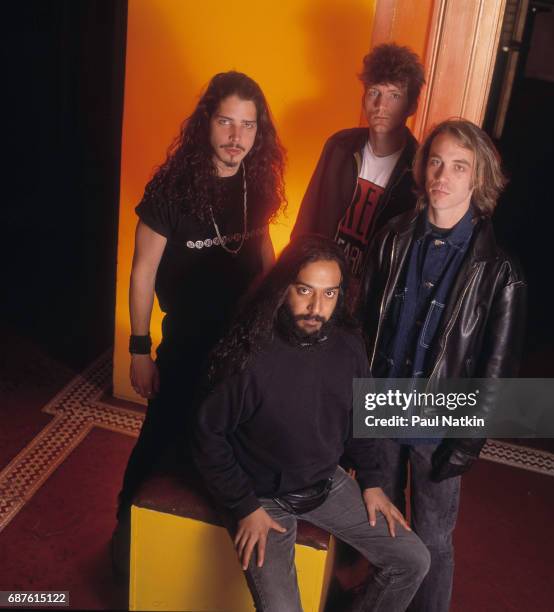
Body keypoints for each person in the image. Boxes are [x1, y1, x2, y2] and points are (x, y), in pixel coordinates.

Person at [192, 235, 430, 612]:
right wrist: (244, 505)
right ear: (284, 287)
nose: (317, 307)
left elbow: (362, 418)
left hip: (325, 483)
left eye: (330, 294)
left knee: (414, 559)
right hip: (262, 498)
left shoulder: (348, 345)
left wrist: (373, 482)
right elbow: (208, 437)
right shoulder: (249, 356)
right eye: (305, 290)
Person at [113, 71, 286, 572]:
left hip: (243, 343)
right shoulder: (170, 189)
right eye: (227, 122)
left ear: (259, 132)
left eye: (248, 126)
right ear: (206, 123)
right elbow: (142, 271)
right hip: (186, 341)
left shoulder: (259, 183)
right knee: (162, 434)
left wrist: (276, 322)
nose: (237, 137)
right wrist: (139, 349)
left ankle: (195, 550)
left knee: (225, 443)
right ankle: (125, 529)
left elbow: (265, 250)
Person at [358, 119, 527, 611]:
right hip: (385, 406)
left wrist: (468, 441)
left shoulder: (501, 271)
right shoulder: (392, 238)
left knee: (433, 538)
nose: (443, 175)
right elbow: (363, 328)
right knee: (383, 529)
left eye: (459, 166)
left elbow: (496, 373)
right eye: (436, 161)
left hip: (440, 422)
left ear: (478, 179)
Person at [291, 43, 425, 286]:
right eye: (374, 92)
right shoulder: (339, 146)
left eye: (394, 95)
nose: (381, 106)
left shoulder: (419, 169)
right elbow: (307, 219)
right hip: (320, 283)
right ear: (364, 97)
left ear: (412, 105)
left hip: (369, 296)